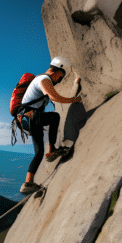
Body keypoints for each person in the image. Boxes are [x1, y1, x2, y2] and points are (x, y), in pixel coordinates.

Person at [19, 56, 82, 194]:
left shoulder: (40, 80)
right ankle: (52, 150)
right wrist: (74, 99)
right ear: (59, 73)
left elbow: (55, 97)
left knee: (39, 152)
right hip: (33, 117)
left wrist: (75, 86)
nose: (58, 81)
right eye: (60, 78)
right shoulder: (44, 79)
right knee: (54, 117)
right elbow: (55, 97)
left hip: (28, 120)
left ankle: (27, 183)